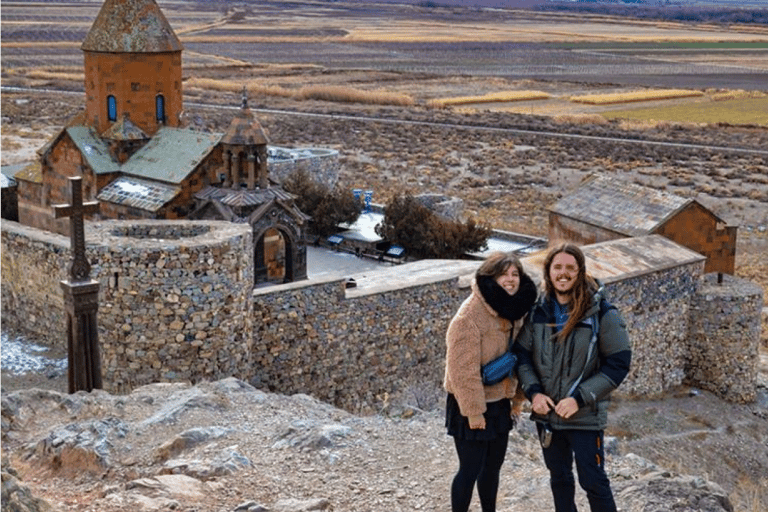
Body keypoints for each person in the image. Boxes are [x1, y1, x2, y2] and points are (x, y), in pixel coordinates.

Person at [513, 242, 632, 512]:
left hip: (585, 417)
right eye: (557, 267)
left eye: (570, 268)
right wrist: (533, 393)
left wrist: (579, 399)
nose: (563, 273)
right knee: (560, 479)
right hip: (548, 415)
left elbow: (619, 363)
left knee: (593, 481)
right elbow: (522, 355)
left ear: (580, 272)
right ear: (548, 272)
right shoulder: (538, 311)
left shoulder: (602, 313)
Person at [444, 251, 538, 512]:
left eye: (515, 274)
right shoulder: (469, 317)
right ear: (490, 277)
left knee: (493, 468)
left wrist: (517, 400)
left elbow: (519, 357)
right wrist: (474, 413)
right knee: (470, 469)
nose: (510, 280)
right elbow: (461, 372)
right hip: (471, 404)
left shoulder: (515, 309)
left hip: (500, 403)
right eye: (503, 274)